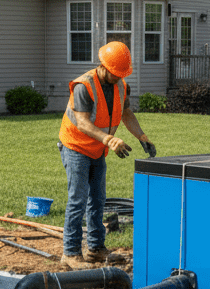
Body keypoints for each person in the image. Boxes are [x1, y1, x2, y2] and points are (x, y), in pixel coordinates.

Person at [58, 41, 156, 268]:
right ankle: (70, 253)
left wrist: (142, 137)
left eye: (121, 74)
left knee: (98, 200)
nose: (118, 77)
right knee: (78, 200)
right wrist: (110, 139)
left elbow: (126, 113)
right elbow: (82, 123)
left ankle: (95, 248)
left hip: (97, 149)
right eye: (115, 73)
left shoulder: (121, 85)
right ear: (103, 66)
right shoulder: (85, 86)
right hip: (76, 146)